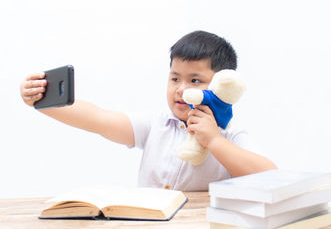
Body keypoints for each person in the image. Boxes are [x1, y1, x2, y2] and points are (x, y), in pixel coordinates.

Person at [20, 30, 277, 191]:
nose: (180, 89)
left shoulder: (230, 136)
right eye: (175, 79)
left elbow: (270, 177)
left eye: (195, 81)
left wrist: (214, 141)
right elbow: (99, 119)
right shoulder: (157, 124)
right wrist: (40, 101)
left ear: (222, 85)